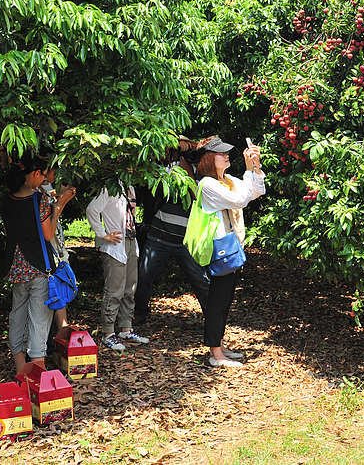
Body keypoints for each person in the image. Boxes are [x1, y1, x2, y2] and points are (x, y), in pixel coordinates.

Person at [194, 136, 265, 368]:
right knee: (217, 301)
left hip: (231, 246)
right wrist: (248, 170)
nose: (226, 156)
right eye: (221, 154)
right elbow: (239, 200)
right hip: (219, 249)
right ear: (208, 159)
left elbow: (255, 191)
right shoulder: (208, 185)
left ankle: (220, 347)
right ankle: (216, 354)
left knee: (225, 300)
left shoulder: (226, 180)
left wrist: (255, 167)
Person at [0, 155, 74, 374]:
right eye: (42, 174)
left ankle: (21, 368)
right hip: (39, 267)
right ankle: (37, 373)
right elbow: (49, 234)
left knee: (18, 316)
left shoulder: (7, 199)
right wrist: (60, 204)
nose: (43, 178)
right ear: (33, 174)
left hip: (15, 267)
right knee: (39, 320)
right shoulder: (38, 199)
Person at [134, 137, 210, 327]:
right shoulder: (167, 170)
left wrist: (187, 165)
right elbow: (160, 144)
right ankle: (139, 315)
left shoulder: (203, 176)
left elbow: (196, 195)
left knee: (201, 281)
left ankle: (213, 320)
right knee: (144, 276)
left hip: (186, 240)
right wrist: (178, 144)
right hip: (159, 236)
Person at [86, 182, 149, 351]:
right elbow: (92, 209)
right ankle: (108, 333)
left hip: (129, 242)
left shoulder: (130, 186)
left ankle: (126, 329)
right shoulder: (109, 187)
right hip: (115, 246)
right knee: (114, 290)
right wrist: (102, 234)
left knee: (130, 287)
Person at [39, 166, 76, 330]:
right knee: (53, 285)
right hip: (47, 247)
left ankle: (62, 328)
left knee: (58, 285)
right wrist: (61, 202)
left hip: (55, 246)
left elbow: (56, 212)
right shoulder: (37, 192)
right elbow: (49, 227)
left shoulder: (48, 188)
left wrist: (63, 200)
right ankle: (58, 330)